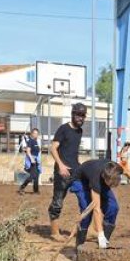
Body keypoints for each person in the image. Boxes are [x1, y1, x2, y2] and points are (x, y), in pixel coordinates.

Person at [70, 157, 130, 248]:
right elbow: (96, 208)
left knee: (113, 207)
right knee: (87, 212)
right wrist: (100, 233)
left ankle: (104, 241)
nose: (111, 187)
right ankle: (80, 248)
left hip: (99, 178)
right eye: (110, 184)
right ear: (105, 179)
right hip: (80, 181)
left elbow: (126, 172)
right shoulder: (96, 179)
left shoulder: (115, 168)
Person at [47, 102, 87, 240]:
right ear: (73, 114)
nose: (81, 118)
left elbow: (72, 151)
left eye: (83, 115)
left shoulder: (80, 131)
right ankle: (54, 233)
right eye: (78, 115)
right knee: (57, 202)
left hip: (76, 172)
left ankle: (86, 229)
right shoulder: (63, 129)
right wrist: (61, 166)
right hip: (62, 173)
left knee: (85, 198)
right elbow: (53, 148)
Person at [17, 128, 42, 195]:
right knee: (32, 176)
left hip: (36, 161)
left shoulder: (36, 141)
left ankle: (36, 191)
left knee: (36, 176)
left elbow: (37, 151)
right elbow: (28, 151)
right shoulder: (30, 141)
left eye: (37, 133)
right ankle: (21, 188)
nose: (35, 135)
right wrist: (31, 159)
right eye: (34, 133)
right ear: (31, 134)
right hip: (31, 162)